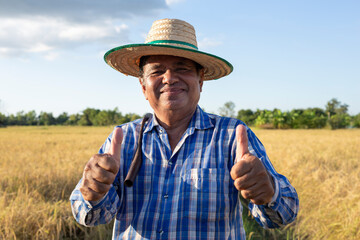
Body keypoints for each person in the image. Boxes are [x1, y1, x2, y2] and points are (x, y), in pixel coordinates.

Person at [70, 18, 299, 240]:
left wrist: (268, 191)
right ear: (143, 86)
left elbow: (284, 214)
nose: (169, 78)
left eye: (182, 68)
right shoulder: (123, 138)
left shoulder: (231, 136)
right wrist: (92, 194)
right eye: (157, 71)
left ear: (201, 81)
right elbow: (90, 216)